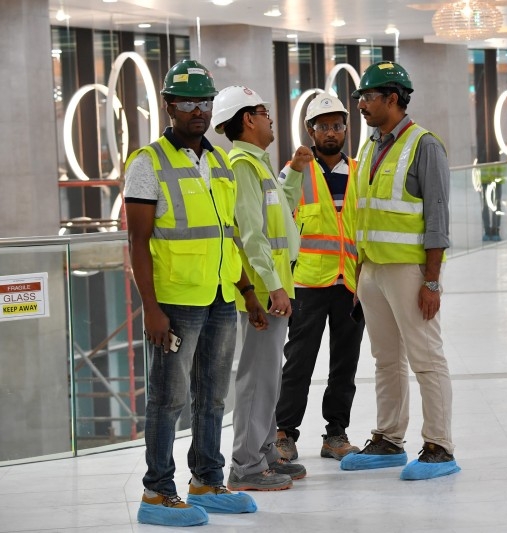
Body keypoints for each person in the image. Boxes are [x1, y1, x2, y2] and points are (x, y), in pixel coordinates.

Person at [124, 59, 266, 527]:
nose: (198, 111)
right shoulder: (148, 163)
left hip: (222, 297)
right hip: (176, 303)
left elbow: (229, 233)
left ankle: (207, 479)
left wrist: (246, 289)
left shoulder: (221, 161)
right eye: (188, 102)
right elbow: (137, 242)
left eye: (204, 102)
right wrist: (151, 308)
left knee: (212, 397)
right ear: (169, 107)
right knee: (168, 399)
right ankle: (157, 492)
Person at [340, 61, 460, 481]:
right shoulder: (370, 145)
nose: (360, 105)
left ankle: (439, 446)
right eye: (359, 98)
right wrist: (359, 275)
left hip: (409, 271)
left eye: (367, 97)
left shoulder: (424, 145)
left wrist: (432, 280)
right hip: (372, 270)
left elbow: (437, 220)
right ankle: (389, 438)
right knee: (385, 359)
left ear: (393, 98)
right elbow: (361, 214)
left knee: (426, 358)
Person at [209, 85, 313, 491]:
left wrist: (295, 172)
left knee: (268, 377)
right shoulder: (242, 165)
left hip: (277, 285)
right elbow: (250, 236)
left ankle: (266, 453)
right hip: (266, 292)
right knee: (256, 378)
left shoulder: (259, 163)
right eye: (264, 111)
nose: (271, 117)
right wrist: (271, 288)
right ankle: (247, 466)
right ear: (248, 119)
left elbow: (280, 216)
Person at [274, 93, 364, 462]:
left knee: (345, 364)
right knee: (299, 362)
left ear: (345, 129)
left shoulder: (359, 171)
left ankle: (336, 434)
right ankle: (283, 433)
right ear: (310, 129)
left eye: (338, 125)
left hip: (351, 285)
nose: (332, 132)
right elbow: (277, 213)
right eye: (324, 126)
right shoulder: (296, 169)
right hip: (308, 283)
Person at [478, 163, 505, 242]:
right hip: (484, 180)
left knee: (496, 204)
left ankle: (495, 229)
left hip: (497, 178)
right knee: (485, 206)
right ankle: (487, 230)